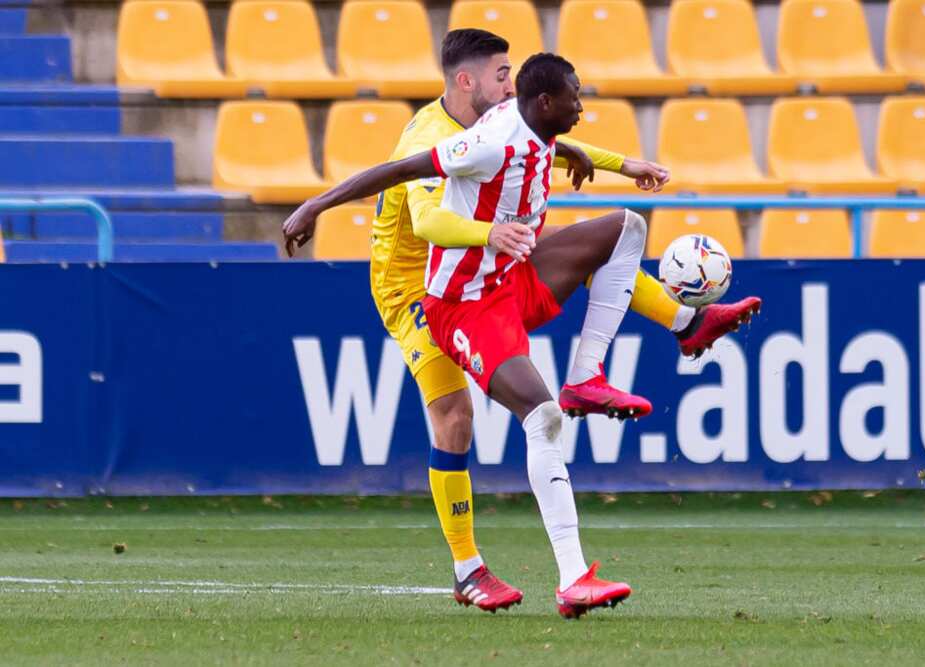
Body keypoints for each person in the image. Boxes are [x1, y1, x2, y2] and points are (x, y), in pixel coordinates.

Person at [284, 51, 762, 618]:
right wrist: (316, 204)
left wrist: (614, 162)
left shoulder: (513, 120)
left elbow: (539, 138)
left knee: (624, 229)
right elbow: (421, 205)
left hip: (507, 272)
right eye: (500, 74)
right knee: (486, 417)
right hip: (441, 297)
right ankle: (519, 573)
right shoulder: (454, 137)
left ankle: (613, 363)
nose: (508, 84)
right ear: (469, 80)